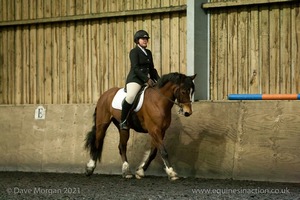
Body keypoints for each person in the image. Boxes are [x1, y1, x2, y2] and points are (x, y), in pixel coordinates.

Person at [120, 30, 160, 130]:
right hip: (135, 79)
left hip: (146, 80)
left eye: (146, 39)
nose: (145, 40)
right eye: (143, 39)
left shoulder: (148, 53)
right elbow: (135, 68)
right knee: (130, 96)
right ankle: (123, 120)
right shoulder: (134, 52)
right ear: (137, 40)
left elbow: (152, 69)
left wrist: (159, 80)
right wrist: (147, 79)